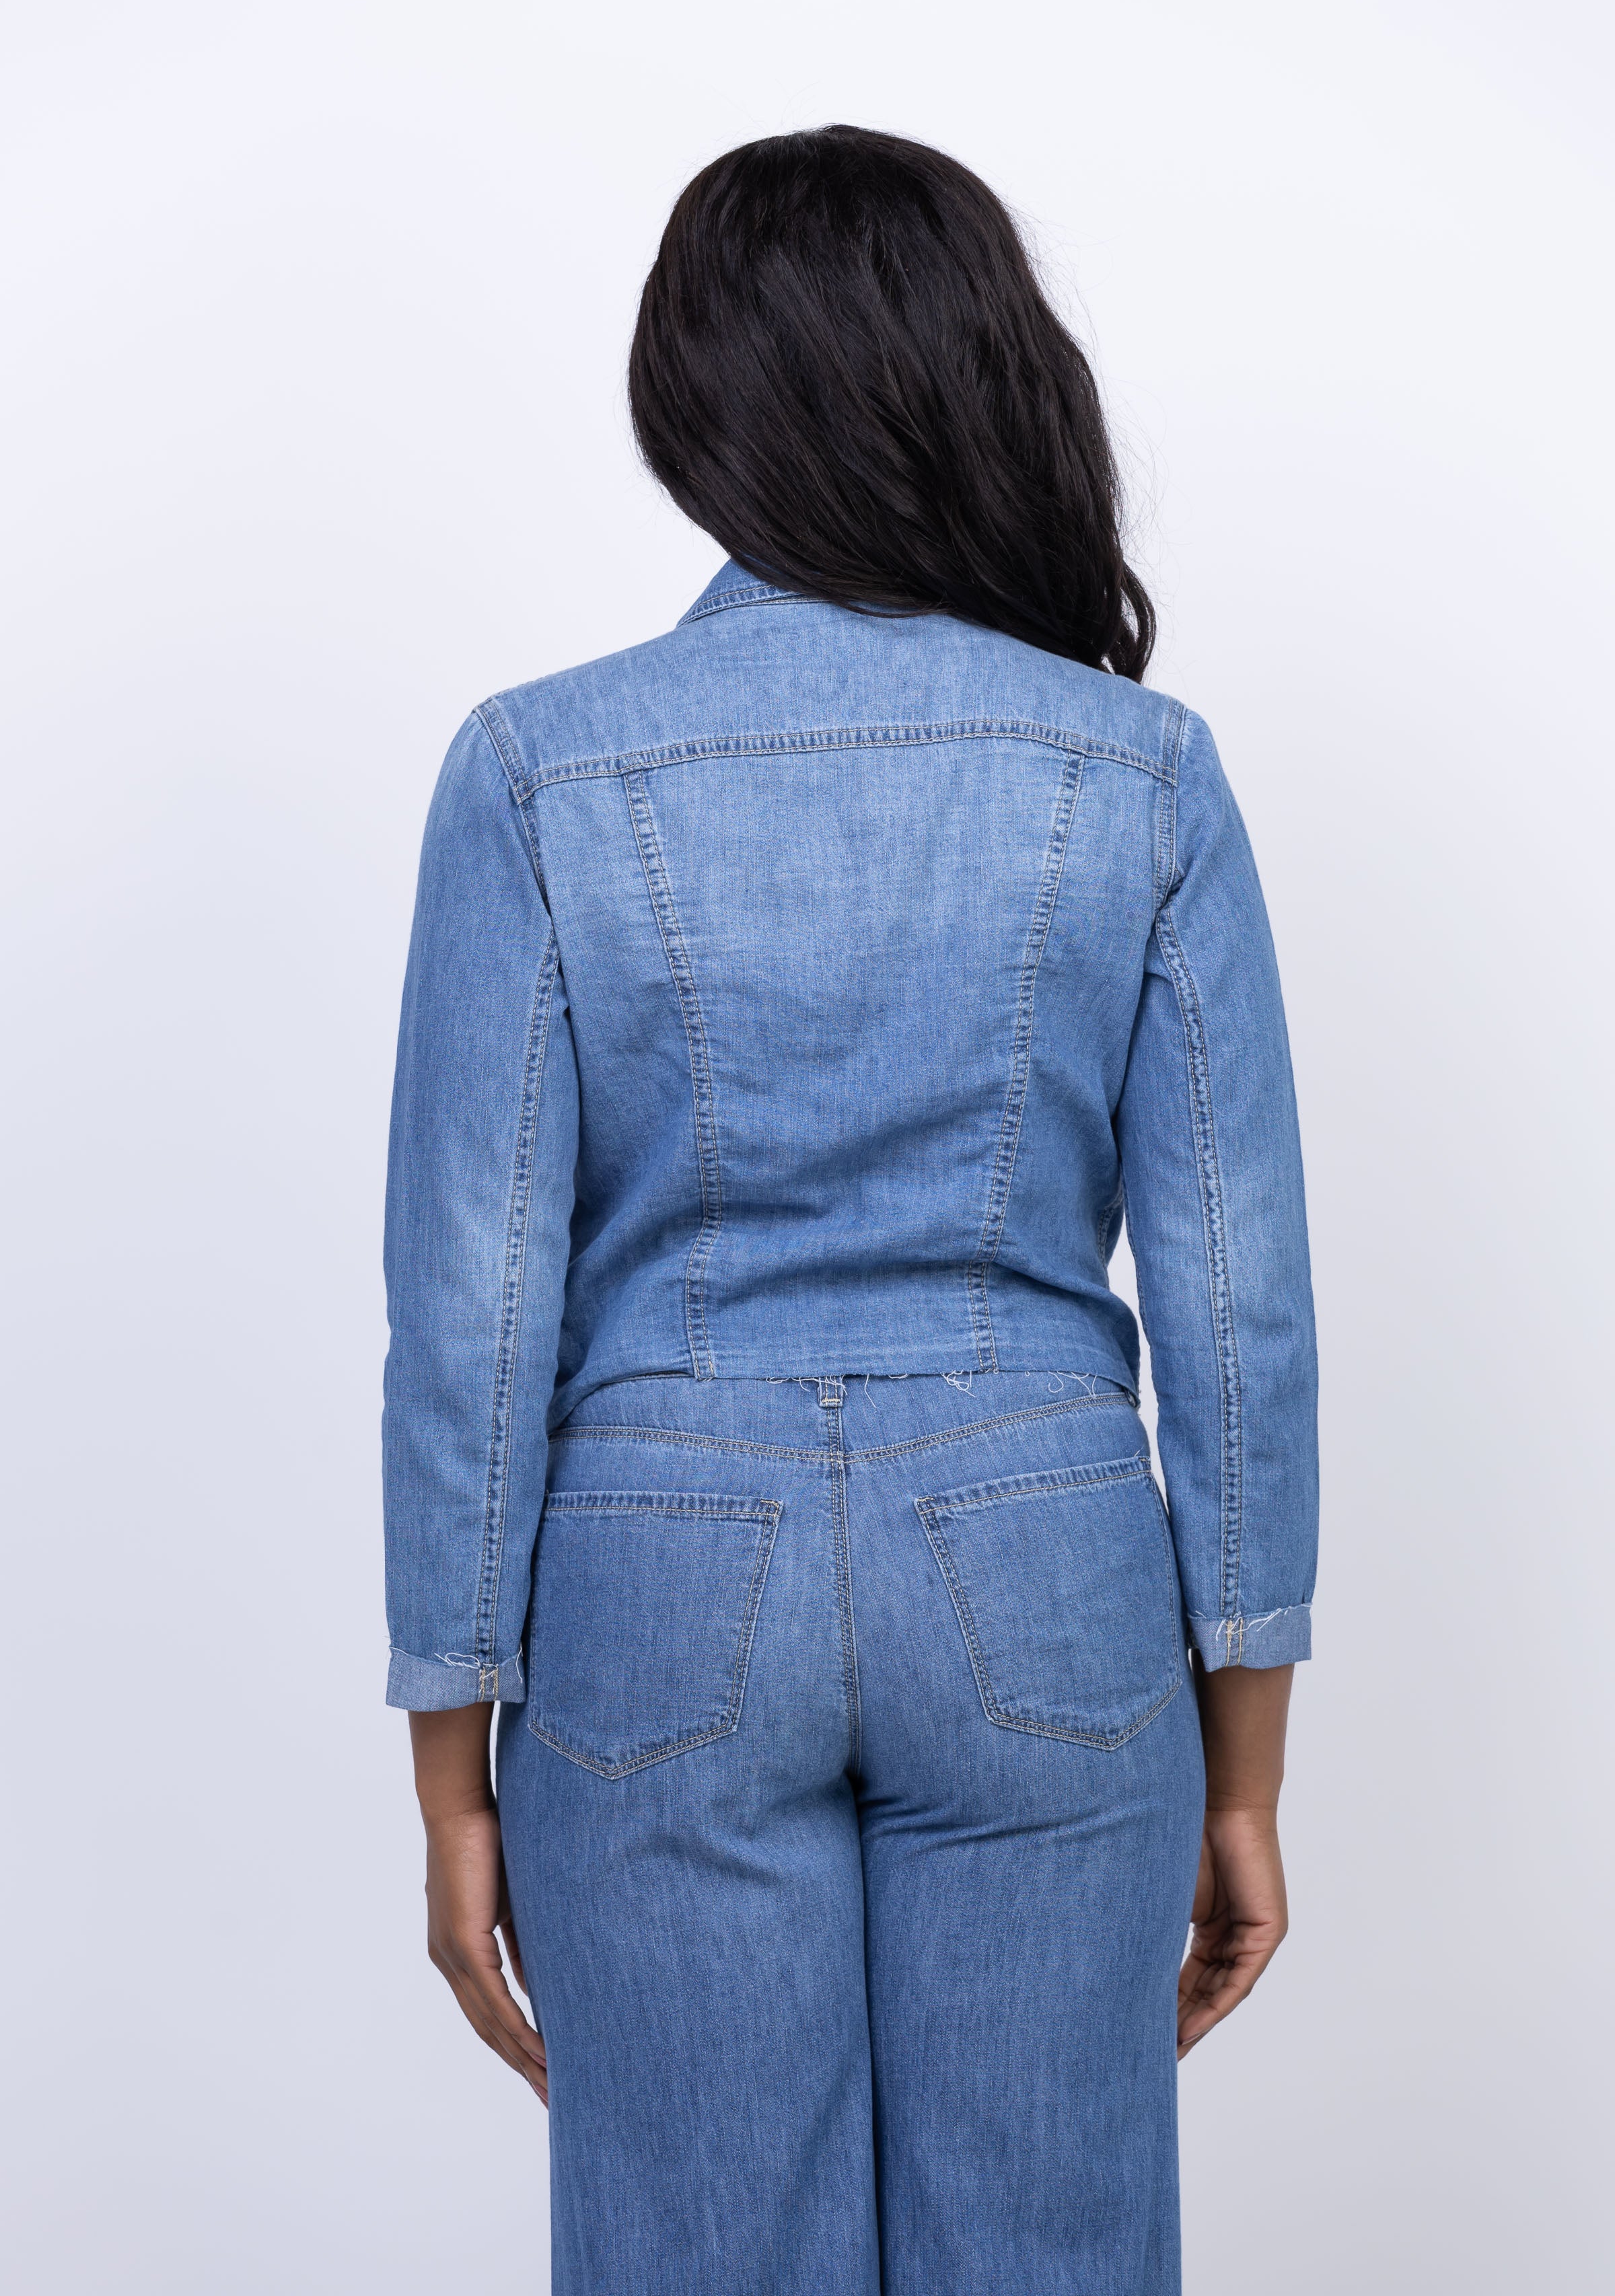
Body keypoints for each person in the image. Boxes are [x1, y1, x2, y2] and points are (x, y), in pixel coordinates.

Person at [382, 124, 1317, 2295]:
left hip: (654, 1575)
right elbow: (1242, 1309)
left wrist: (451, 1778)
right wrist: (1246, 1770)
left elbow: (472, 1311)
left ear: (690, 402)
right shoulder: (1138, 770)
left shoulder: (537, 768)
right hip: (1046, 1564)